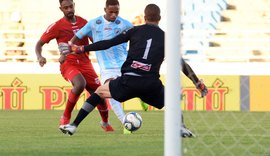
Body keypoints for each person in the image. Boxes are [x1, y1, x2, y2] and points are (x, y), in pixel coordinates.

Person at [59, 3, 208, 137]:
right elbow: (181, 63)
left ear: (144, 17)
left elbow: (108, 43)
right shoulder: (166, 38)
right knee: (173, 99)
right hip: (150, 84)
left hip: (128, 81)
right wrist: (197, 83)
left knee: (99, 92)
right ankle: (180, 128)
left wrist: (81, 48)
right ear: (159, 18)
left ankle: (73, 125)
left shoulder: (134, 31)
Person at [69, 0, 147, 134]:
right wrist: (69, 47)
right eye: (111, 12)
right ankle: (125, 122)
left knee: (135, 86)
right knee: (111, 93)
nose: (114, 15)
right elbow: (75, 38)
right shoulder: (94, 23)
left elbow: (138, 37)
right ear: (105, 9)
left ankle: (141, 97)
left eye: (117, 12)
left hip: (124, 64)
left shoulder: (125, 24)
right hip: (107, 68)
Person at [35, 0, 114, 132]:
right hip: (68, 63)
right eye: (66, 7)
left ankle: (105, 123)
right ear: (61, 9)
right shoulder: (57, 26)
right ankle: (65, 117)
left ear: (74, 5)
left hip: (85, 63)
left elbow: (95, 41)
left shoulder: (84, 22)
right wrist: (40, 56)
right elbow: (39, 44)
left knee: (100, 93)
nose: (69, 9)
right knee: (79, 84)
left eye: (71, 6)